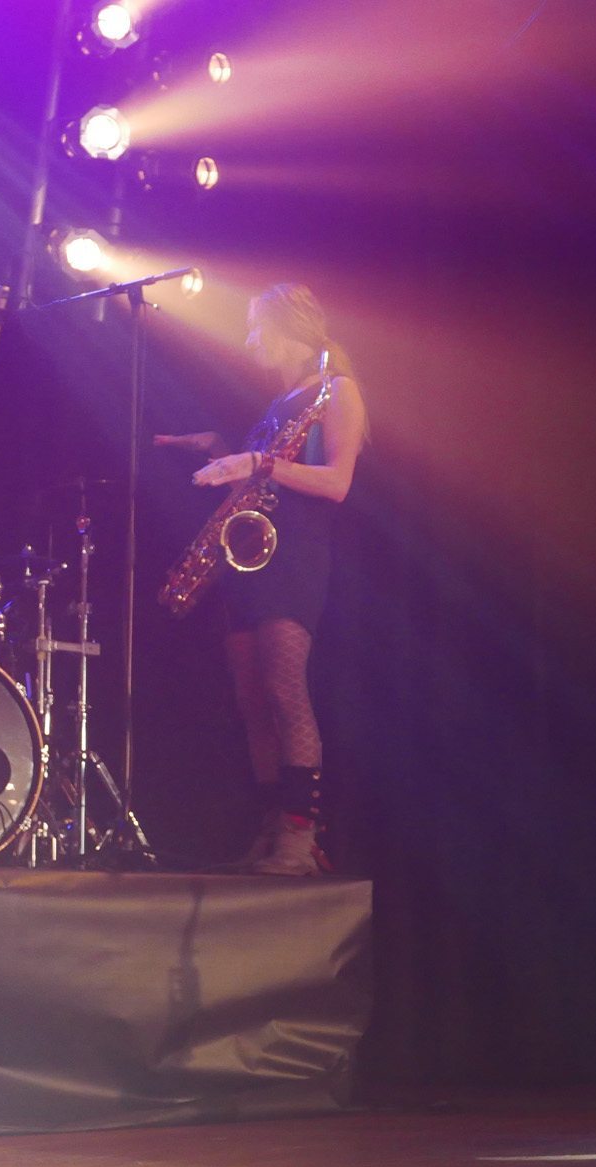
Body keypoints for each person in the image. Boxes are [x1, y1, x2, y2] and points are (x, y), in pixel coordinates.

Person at [155, 284, 369, 875]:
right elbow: (266, 477)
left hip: (295, 556)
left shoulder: (336, 390)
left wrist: (256, 461)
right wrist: (222, 449)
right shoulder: (281, 403)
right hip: (248, 557)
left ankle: (301, 837)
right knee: (253, 702)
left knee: (284, 690)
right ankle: (273, 827)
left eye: (257, 328)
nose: (250, 340)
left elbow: (337, 483)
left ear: (288, 326)